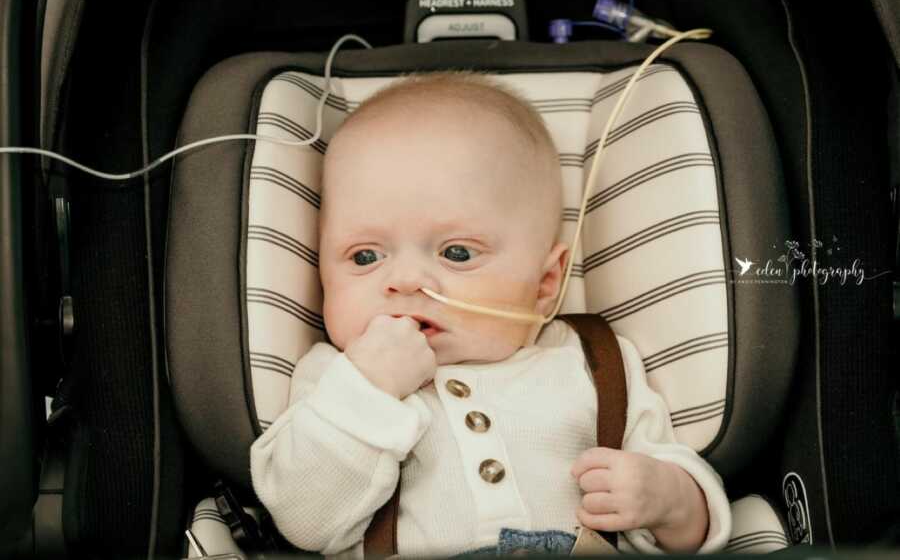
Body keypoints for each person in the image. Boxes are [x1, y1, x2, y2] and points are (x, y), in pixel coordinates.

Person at [249, 71, 731, 557]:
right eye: (365, 257)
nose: (406, 282)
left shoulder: (593, 363)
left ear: (545, 286)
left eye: (457, 253)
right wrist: (368, 389)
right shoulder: (335, 381)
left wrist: (670, 501)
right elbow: (303, 519)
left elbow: (683, 516)